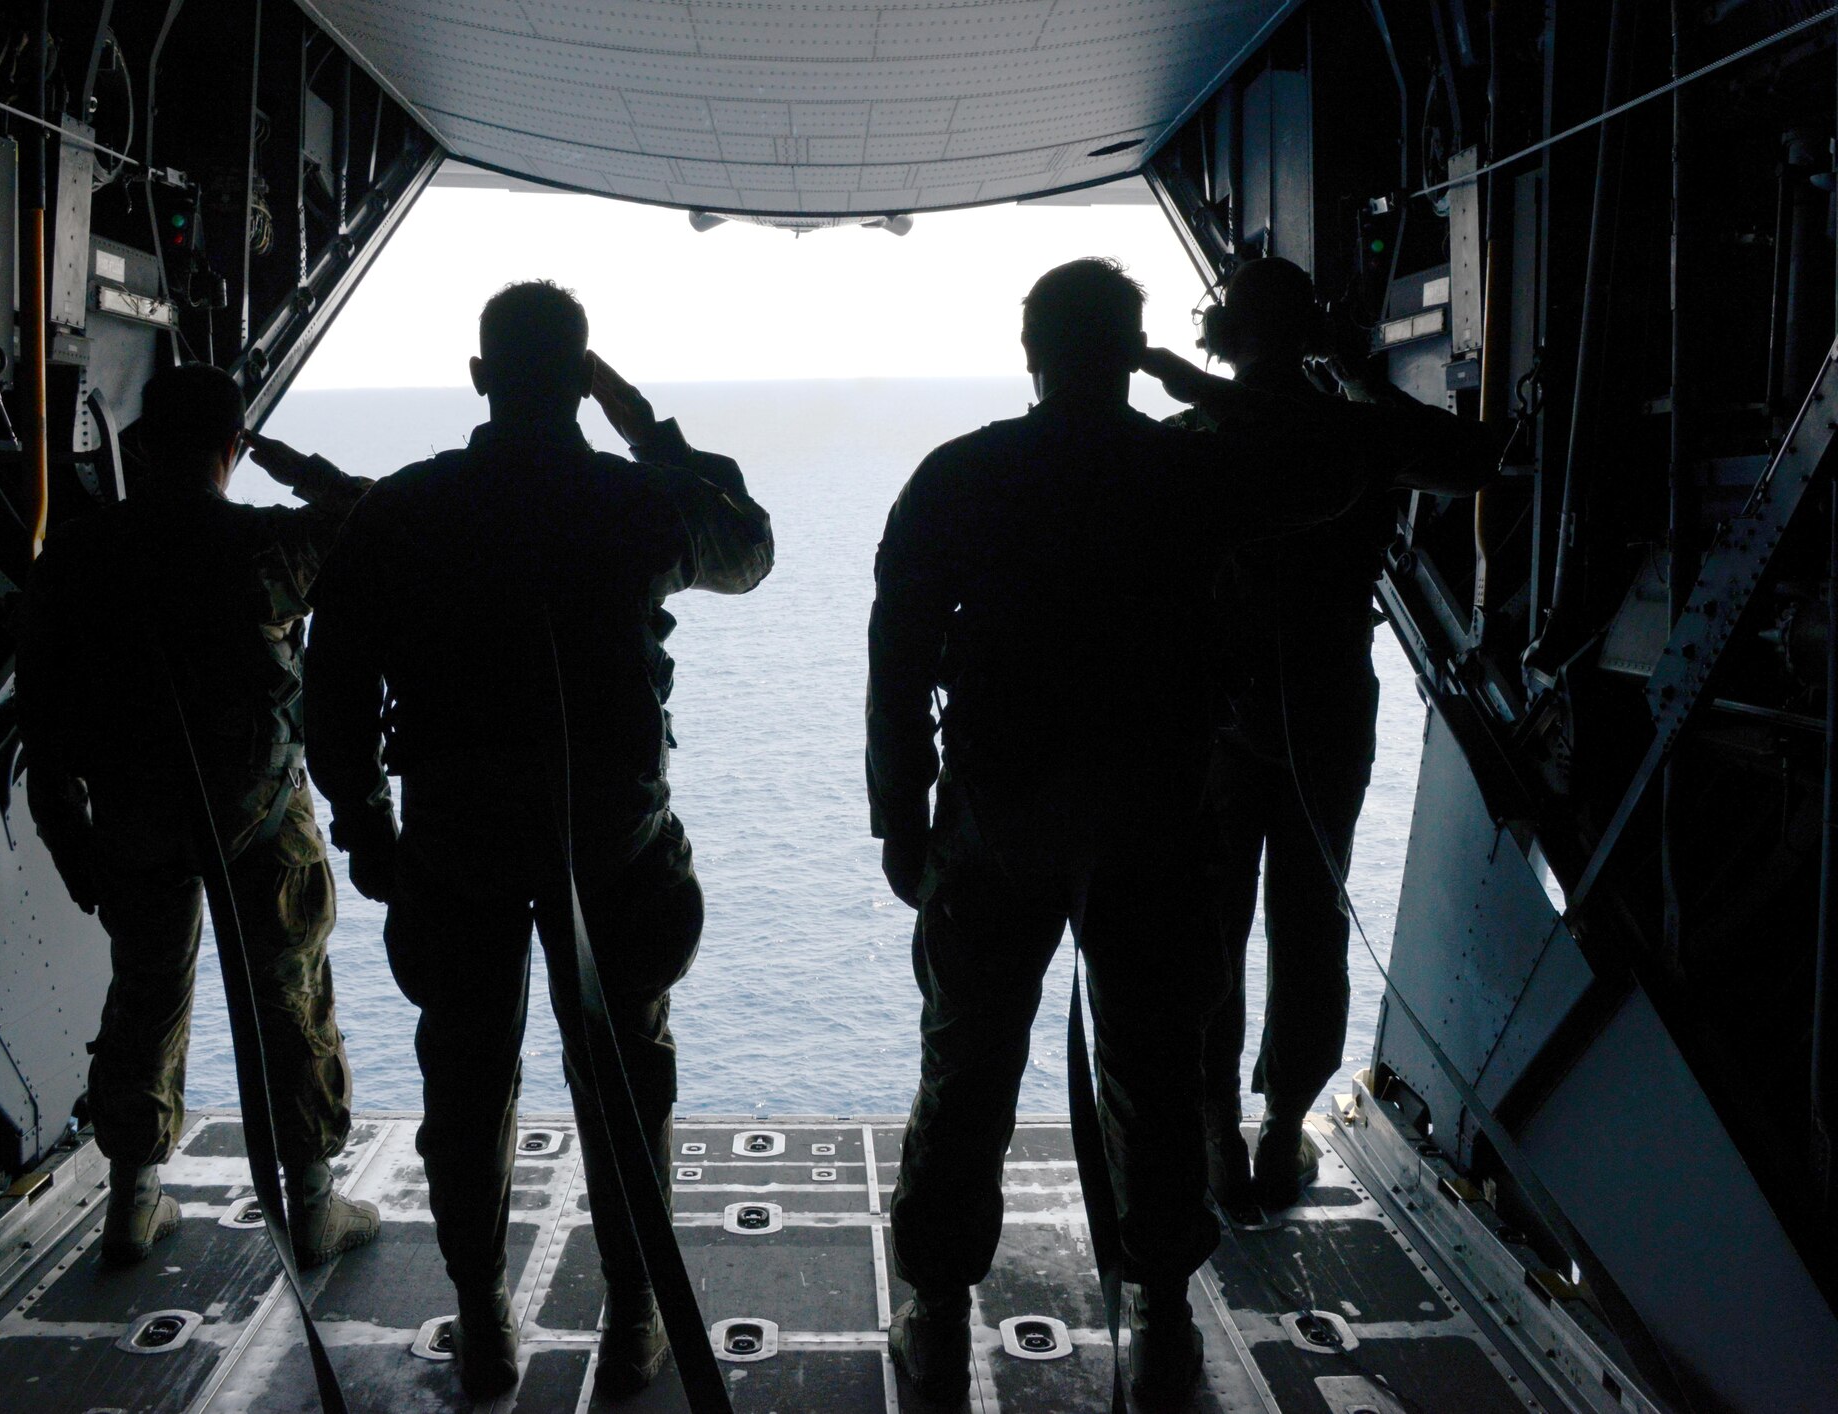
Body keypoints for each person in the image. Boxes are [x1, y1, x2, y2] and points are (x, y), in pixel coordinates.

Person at [867, 258, 1492, 1410]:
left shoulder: (959, 475)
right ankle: (1155, 1319)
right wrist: (1207, 387)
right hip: (1154, 812)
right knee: (1151, 1070)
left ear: (1030, 352)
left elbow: (897, 655)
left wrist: (898, 820)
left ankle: (938, 1314)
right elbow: (1333, 461)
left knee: (965, 1070)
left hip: (997, 817)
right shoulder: (1190, 470)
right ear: (1132, 349)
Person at [303, 280, 773, 1400]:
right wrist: (641, 419)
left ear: (478, 377)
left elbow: (333, 688)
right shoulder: (636, 499)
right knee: (623, 1083)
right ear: (579, 378)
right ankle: (633, 1321)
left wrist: (369, 828)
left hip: (456, 844)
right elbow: (748, 546)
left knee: (464, 1087)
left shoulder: (404, 509)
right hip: (611, 840)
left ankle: (482, 1318)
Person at [18, 363, 381, 1271]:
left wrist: (76, 850)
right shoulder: (268, 548)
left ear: (142, 446)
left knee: (144, 999)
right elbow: (368, 518)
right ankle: (311, 1207)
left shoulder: (77, 556)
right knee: (290, 1000)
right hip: (260, 818)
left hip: (136, 821)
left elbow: (45, 725)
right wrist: (294, 467)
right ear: (231, 446)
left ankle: (133, 1207)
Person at [1187, 257, 1495, 1212]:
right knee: (1310, 919)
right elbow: (1477, 456)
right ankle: (1282, 1136)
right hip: (1325, 710)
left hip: (1219, 716)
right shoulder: (1355, 436)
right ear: (1308, 332)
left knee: (1210, 928)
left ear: (1224, 339)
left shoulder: (1190, 438)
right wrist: (1353, 370)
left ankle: (1212, 1142)